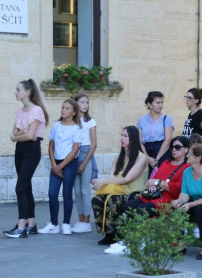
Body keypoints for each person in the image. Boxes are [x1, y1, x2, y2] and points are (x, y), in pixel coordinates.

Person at [3, 79, 49, 238]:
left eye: (18, 89)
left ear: (27, 92)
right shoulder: (19, 111)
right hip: (20, 150)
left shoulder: (36, 111)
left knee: (20, 187)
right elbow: (13, 135)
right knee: (26, 186)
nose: (15, 92)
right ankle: (31, 224)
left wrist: (20, 134)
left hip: (31, 151)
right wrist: (22, 134)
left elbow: (29, 135)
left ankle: (21, 227)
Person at [91, 126, 148, 246]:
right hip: (117, 192)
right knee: (96, 199)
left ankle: (114, 233)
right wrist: (99, 181)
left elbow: (128, 179)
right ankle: (107, 232)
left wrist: (104, 182)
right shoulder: (118, 158)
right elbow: (112, 178)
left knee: (113, 199)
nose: (122, 138)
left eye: (126, 136)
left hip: (134, 194)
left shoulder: (142, 158)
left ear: (133, 139)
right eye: (122, 135)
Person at [38, 100, 82, 235]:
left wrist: (61, 166)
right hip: (56, 163)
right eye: (62, 108)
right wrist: (54, 165)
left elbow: (75, 150)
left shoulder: (77, 128)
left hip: (69, 163)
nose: (63, 110)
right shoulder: (56, 125)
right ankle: (53, 224)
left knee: (67, 194)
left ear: (74, 112)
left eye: (67, 108)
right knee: (52, 193)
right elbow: (51, 146)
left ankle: (66, 223)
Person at [71, 93, 98, 234]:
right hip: (73, 155)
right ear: (75, 104)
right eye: (82, 102)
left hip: (85, 154)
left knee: (85, 190)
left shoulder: (90, 121)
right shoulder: (72, 122)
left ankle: (87, 222)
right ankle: (81, 220)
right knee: (77, 191)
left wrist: (84, 162)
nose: (85, 105)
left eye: (87, 102)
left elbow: (94, 144)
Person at [136, 91, 174, 175]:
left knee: (162, 177)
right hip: (147, 151)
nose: (161, 105)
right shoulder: (142, 120)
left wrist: (157, 159)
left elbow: (168, 140)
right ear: (149, 104)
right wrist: (147, 157)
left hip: (163, 151)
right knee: (147, 179)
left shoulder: (166, 118)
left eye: (162, 103)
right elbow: (139, 141)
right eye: (157, 103)